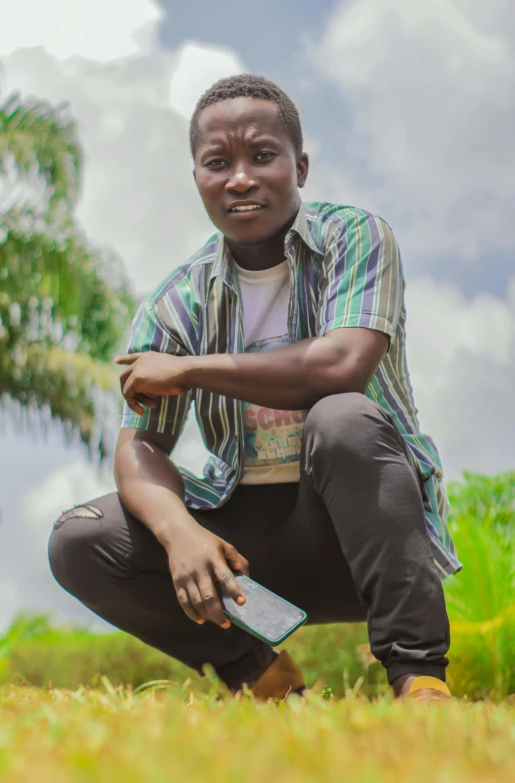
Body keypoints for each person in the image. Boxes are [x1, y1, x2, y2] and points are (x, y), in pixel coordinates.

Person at [47, 74, 462, 705]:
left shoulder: (355, 239)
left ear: (299, 166)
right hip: (249, 560)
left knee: (344, 418)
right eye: (218, 163)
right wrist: (179, 532)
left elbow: (341, 364)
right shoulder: (175, 303)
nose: (240, 178)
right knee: (80, 538)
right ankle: (261, 675)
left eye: (261, 157)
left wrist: (188, 370)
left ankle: (419, 676)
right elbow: (140, 448)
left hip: (367, 542)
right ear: (197, 179)